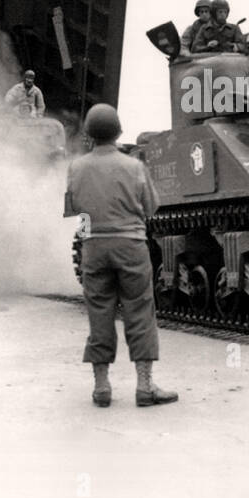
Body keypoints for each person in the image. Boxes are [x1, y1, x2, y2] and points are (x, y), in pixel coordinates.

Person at [66, 103, 177, 408]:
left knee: (99, 313)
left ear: (89, 134)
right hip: (131, 246)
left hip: (93, 247)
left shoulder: (76, 167)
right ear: (118, 132)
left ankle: (102, 387)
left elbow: (72, 208)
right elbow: (152, 207)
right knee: (140, 311)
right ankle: (144, 386)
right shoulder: (135, 167)